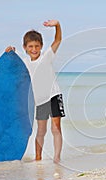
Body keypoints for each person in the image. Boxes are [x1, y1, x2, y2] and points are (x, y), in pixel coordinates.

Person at [5, 19, 64, 163]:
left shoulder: (46, 57)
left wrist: (57, 25)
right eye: (30, 46)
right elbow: (12, 69)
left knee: (56, 128)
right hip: (39, 100)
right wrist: (10, 53)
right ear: (24, 47)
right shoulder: (24, 63)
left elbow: (58, 40)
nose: (34, 49)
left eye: (37, 46)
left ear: (41, 46)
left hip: (54, 95)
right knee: (41, 130)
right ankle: (38, 158)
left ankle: (57, 157)